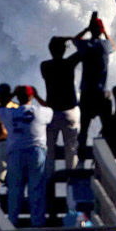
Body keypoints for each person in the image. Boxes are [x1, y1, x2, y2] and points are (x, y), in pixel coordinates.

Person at [0, 85, 53, 227]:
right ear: (31, 96)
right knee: (36, 188)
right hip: (36, 151)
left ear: (18, 97)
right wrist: (37, 95)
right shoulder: (40, 112)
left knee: (15, 189)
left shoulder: (10, 113)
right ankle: (37, 223)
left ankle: (12, 222)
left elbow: (1, 106)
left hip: (16, 152)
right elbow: (50, 107)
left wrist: (12, 95)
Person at [73, 12, 115, 155]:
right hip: (102, 92)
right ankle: (108, 153)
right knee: (107, 127)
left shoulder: (85, 45)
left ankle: (81, 153)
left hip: (87, 92)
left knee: (84, 125)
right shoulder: (104, 46)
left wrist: (87, 29)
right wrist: (104, 32)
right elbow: (113, 46)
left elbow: (75, 39)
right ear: (101, 31)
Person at [41, 37, 81, 170]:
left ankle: (48, 179)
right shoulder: (69, 64)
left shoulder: (45, 66)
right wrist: (72, 39)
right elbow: (83, 49)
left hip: (52, 112)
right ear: (64, 50)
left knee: (48, 149)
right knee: (71, 149)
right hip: (69, 111)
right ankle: (72, 179)